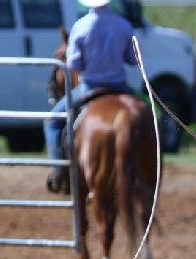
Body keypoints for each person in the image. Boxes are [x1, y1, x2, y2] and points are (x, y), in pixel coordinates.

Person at [45, 0, 136, 193]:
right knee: (147, 114)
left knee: (53, 121)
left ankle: (59, 172)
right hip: (119, 86)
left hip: (89, 87)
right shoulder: (123, 25)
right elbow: (133, 59)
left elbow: (74, 66)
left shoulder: (81, 26)